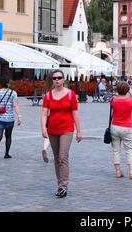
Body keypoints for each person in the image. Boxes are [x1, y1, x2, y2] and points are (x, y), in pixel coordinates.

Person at [40, 70, 82, 198]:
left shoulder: (70, 95)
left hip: (67, 129)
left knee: (63, 156)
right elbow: (43, 114)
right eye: (54, 78)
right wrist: (43, 128)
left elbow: (75, 113)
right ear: (52, 80)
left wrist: (78, 130)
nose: (57, 80)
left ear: (64, 79)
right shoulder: (48, 96)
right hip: (52, 129)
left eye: (59, 78)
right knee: (57, 158)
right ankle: (60, 185)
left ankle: (63, 186)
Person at [110, 82, 132, 179]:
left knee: (116, 150)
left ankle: (118, 171)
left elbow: (113, 99)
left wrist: (117, 94)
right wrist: (131, 92)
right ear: (127, 91)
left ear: (117, 90)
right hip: (126, 127)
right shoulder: (129, 101)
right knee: (129, 150)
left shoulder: (113, 100)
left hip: (114, 127)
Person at [0, 76, 22, 162]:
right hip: (9, 118)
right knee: (8, 136)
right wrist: (19, 116)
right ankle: (6, 154)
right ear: (8, 83)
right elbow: (15, 105)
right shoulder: (13, 93)